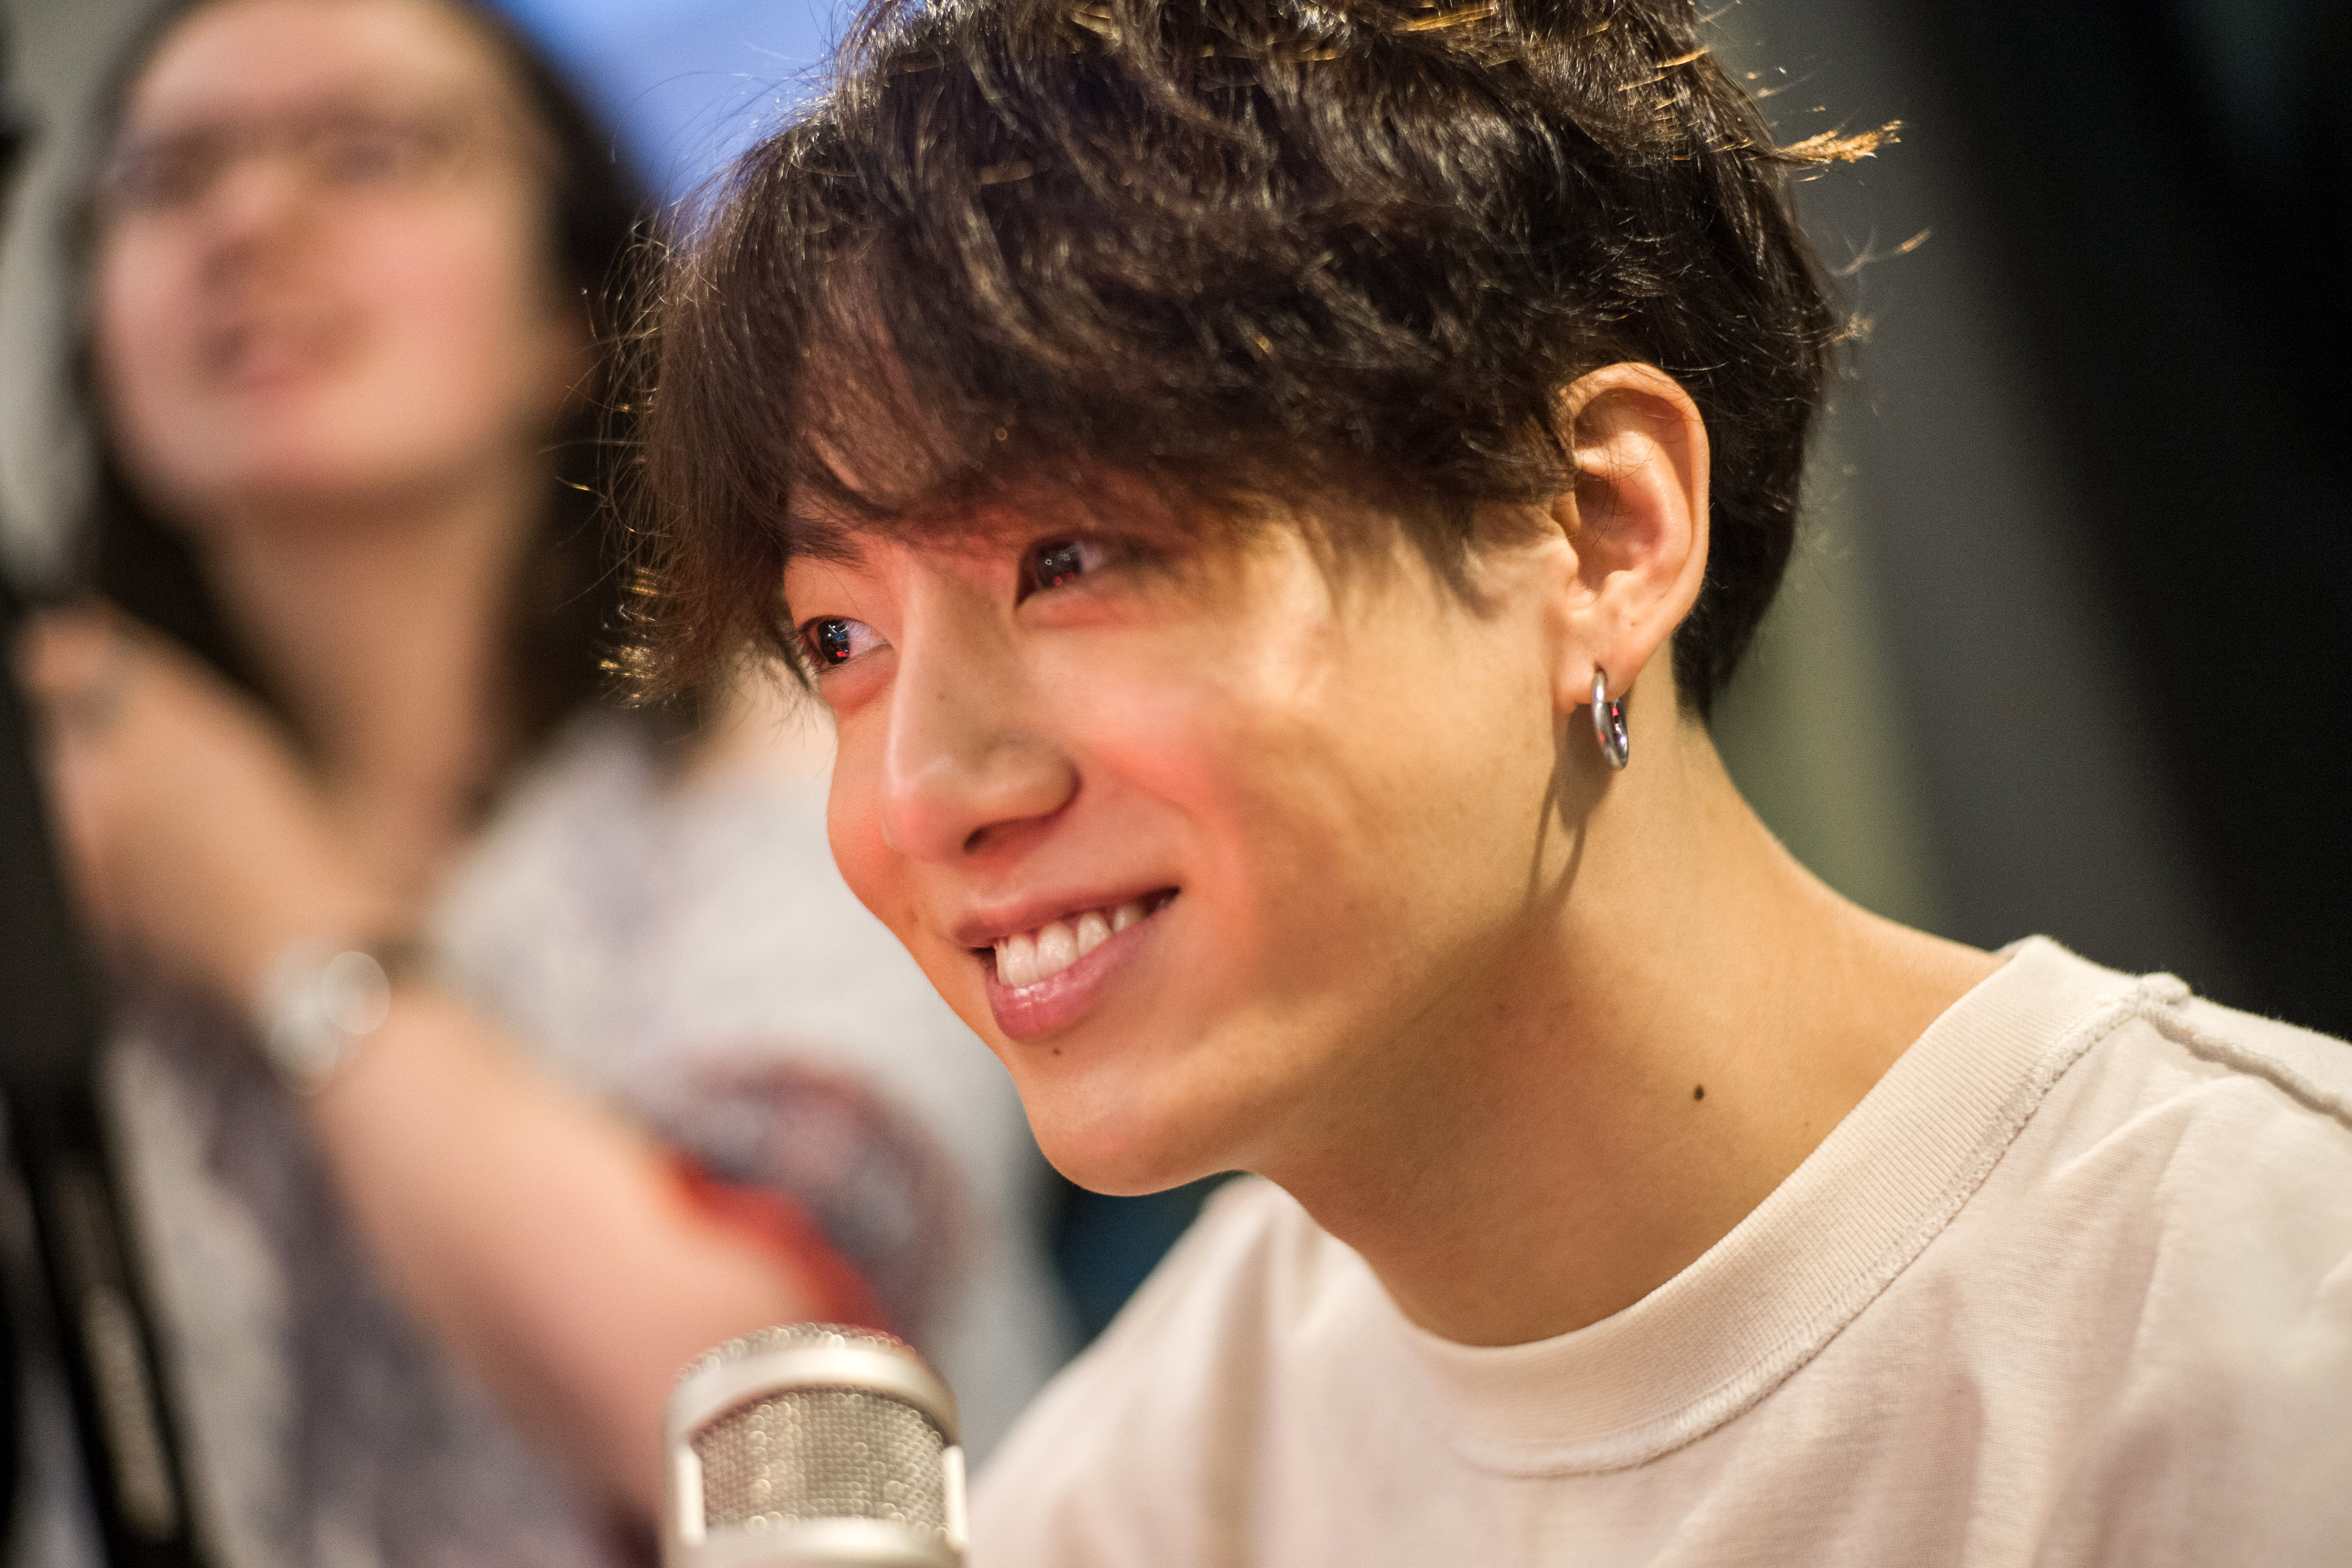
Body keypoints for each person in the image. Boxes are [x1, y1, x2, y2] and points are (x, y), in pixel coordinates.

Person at [625, 0, 2352, 1562]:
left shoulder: (2257, 1322)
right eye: (841, 642)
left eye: (1072, 559)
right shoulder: (1162, 1471)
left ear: (1598, 532)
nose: (927, 791)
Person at [12, 0, 1066, 1562]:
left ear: (574, 313)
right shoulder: (54, 820)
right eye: (167, 176)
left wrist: (277, 916)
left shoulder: (807, 742)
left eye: (370, 151)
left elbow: (764, 1428)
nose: (247, 219)